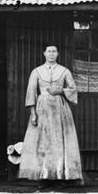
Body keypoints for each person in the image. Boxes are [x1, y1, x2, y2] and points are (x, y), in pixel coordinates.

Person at [18, 44, 84, 185]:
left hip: (60, 111)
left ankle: (60, 175)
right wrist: (33, 113)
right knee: (43, 142)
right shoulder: (36, 71)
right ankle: (44, 176)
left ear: (58, 54)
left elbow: (73, 89)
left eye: (54, 51)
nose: (52, 54)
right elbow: (31, 94)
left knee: (59, 141)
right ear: (44, 53)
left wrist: (61, 90)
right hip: (42, 110)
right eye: (49, 51)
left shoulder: (64, 71)